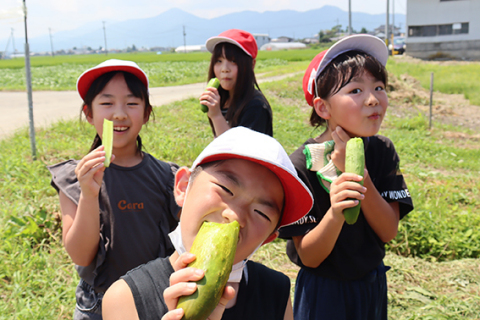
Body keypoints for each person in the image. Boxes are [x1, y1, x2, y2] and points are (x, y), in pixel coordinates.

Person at [101, 126, 314, 320]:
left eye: (261, 213)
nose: (235, 217)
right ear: (183, 187)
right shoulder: (126, 297)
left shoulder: (275, 291)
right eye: (226, 190)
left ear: (267, 238)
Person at [278, 34, 414, 320]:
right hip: (324, 293)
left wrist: (360, 177)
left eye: (379, 87)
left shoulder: (381, 151)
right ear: (323, 108)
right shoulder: (302, 164)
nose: (373, 99)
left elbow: (388, 231)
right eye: (355, 91)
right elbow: (309, 257)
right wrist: (336, 212)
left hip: (371, 283)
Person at [47, 59, 180, 320]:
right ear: (88, 113)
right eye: (106, 103)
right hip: (98, 303)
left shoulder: (167, 177)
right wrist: (89, 193)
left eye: (131, 103)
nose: (119, 113)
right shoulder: (75, 178)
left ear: (146, 113)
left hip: (155, 299)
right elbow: (80, 254)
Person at [199, 29, 273, 137]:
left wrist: (217, 117)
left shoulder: (256, 107)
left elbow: (235, 151)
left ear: (252, 65)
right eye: (219, 61)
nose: (224, 69)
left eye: (233, 61)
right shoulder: (223, 99)